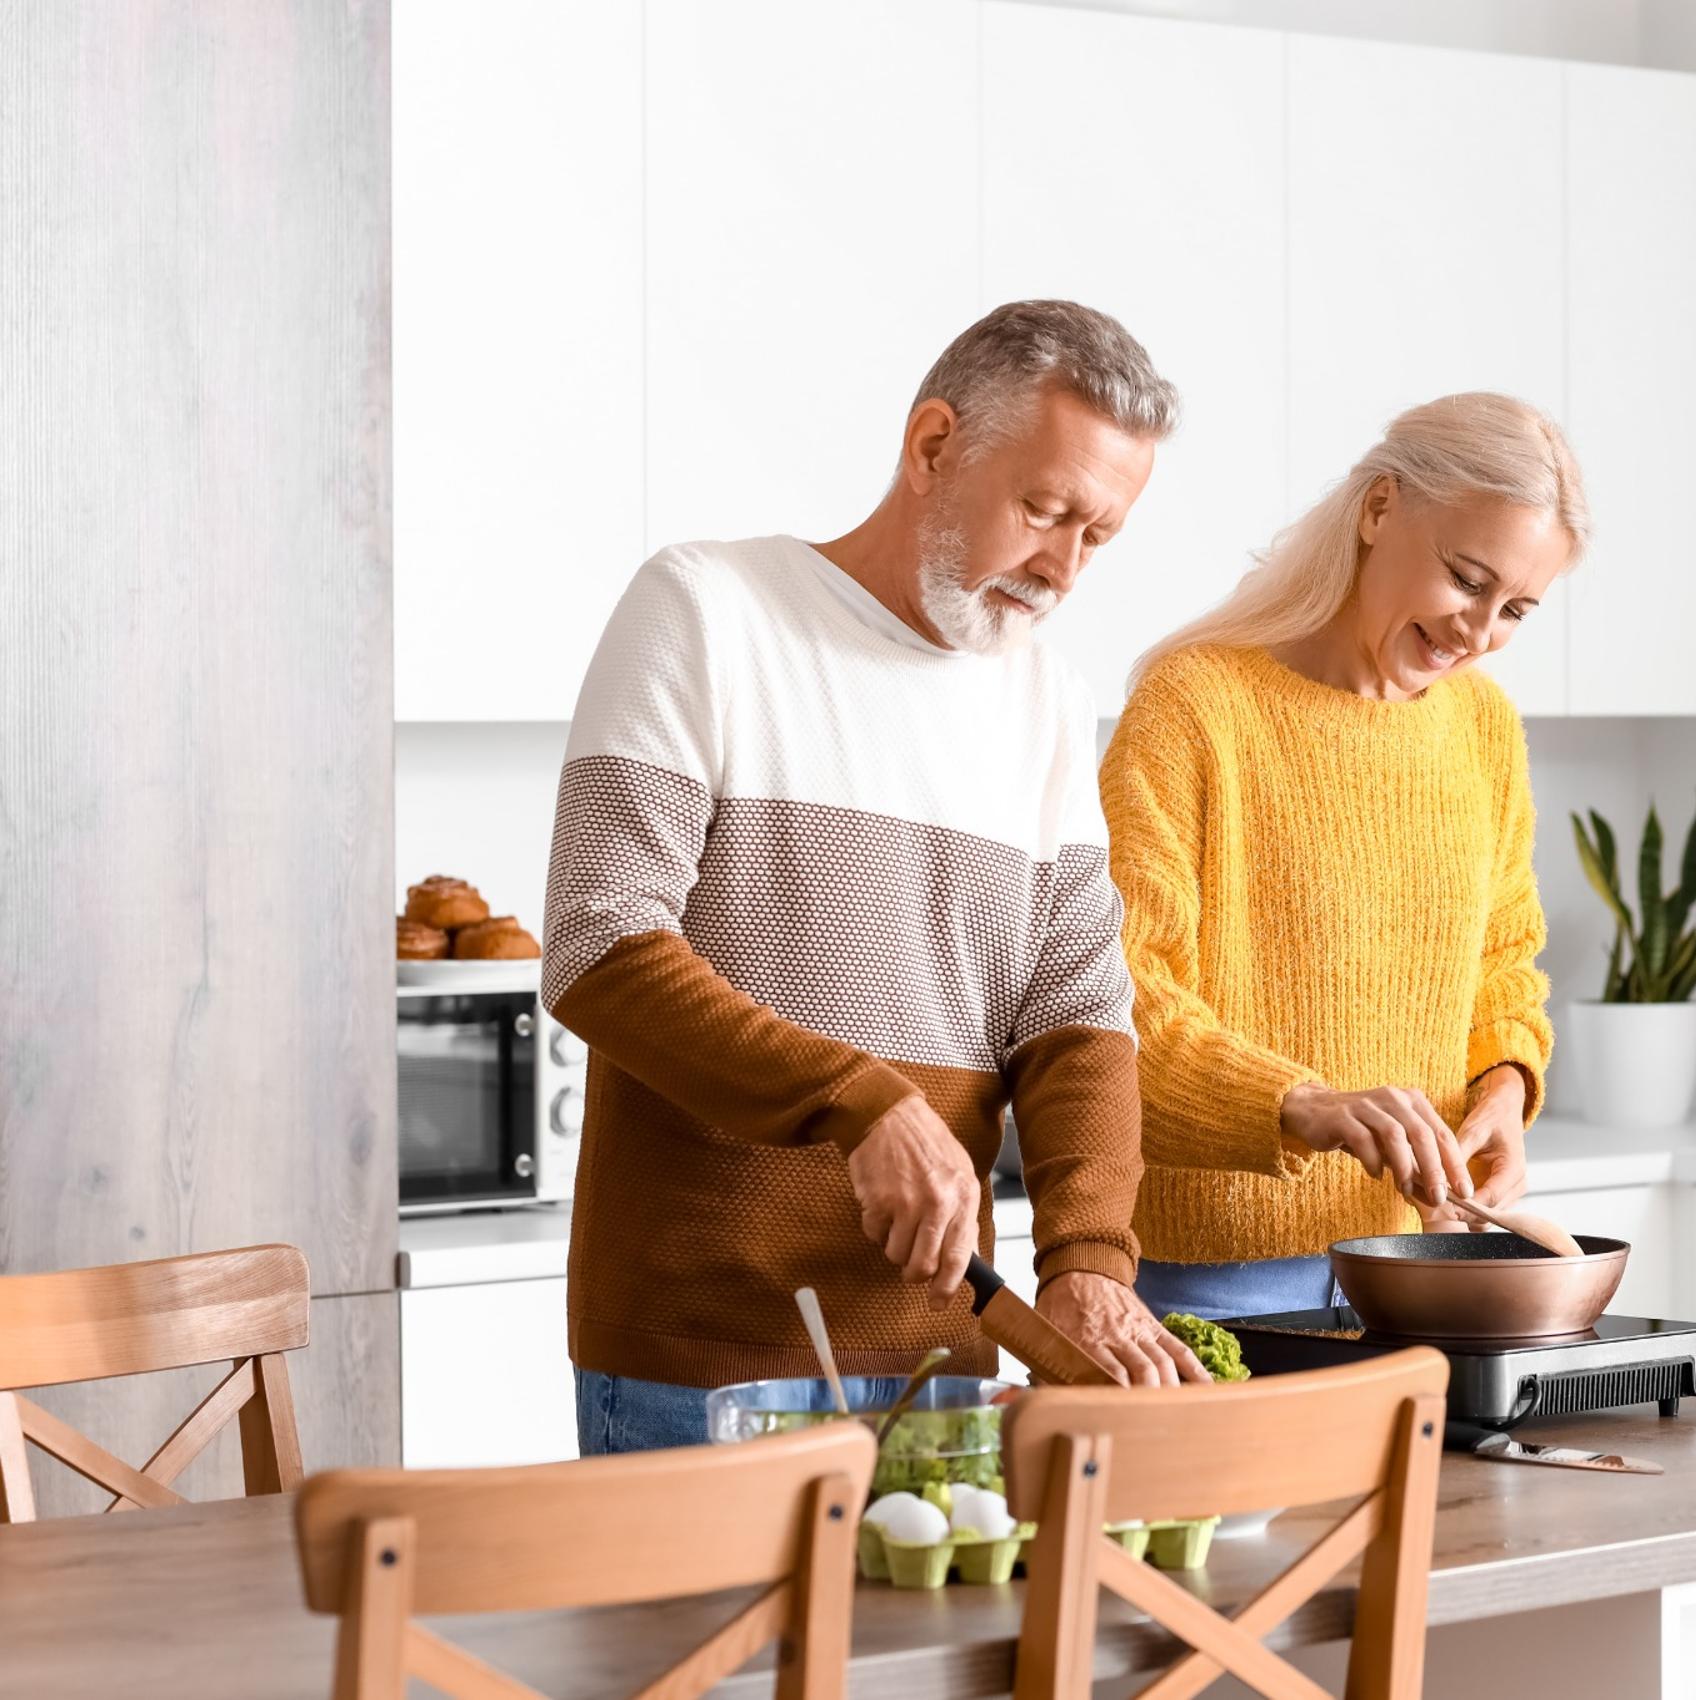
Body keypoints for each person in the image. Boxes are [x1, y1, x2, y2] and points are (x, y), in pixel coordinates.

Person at [545, 300, 1209, 1454]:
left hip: (942, 1366)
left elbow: (1077, 1015)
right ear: (933, 445)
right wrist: (860, 1100)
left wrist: (1090, 1259)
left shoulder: (1045, 698)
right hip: (698, 1361)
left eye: (1096, 535)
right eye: (1043, 509)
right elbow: (600, 943)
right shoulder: (710, 607)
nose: (1060, 566)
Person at [1100, 392, 1587, 1320]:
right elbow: (1122, 1001)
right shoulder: (1195, 707)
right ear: (1378, 509)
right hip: (1223, 1277)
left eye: (1516, 608)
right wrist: (1305, 1104)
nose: (1479, 633)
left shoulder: (1482, 728)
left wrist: (1505, 1087)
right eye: (1467, 578)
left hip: (1422, 1259)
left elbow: (1501, 965)